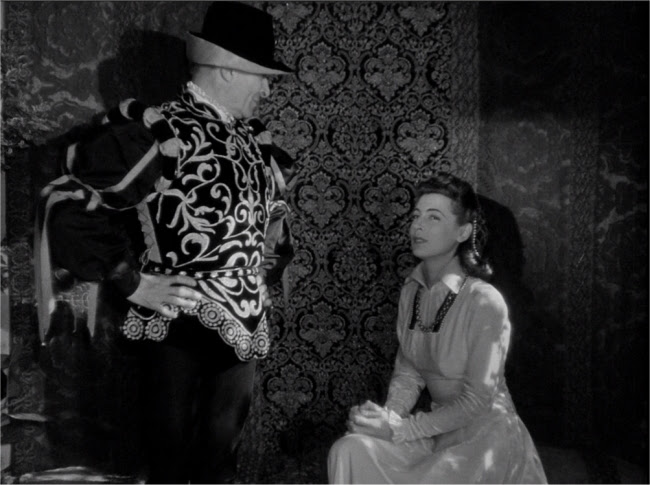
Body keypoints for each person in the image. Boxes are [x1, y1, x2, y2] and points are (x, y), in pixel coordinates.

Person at [36, 2, 293, 483]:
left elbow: (272, 230)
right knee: (168, 465)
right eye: (262, 77)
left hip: (244, 327)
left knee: (220, 464)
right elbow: (70, 204)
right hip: (177, 329)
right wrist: (132, 282)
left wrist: (261, 269)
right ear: (227, 68)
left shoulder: (256, 143)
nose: (266, 89)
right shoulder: (162, 130)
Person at [327, 172, 547, 484]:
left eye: (434, 217)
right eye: (416, 216)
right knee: (349, 449)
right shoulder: (411, 291)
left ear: (462, 231)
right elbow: (408, 373)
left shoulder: (484, 301)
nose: (417, 226)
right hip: (436, 432)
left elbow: (477, 401)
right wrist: (385, 419)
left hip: (487, 438)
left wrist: (400, 429)